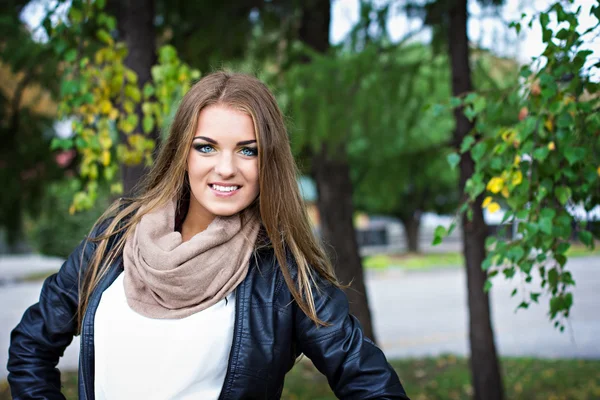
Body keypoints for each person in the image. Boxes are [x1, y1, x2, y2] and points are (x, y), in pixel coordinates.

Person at [8, 71, 409, 400]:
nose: (226, 168)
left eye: (247, 151)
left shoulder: (281, 274)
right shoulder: (115, 237)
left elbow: (371, 385)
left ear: (268, 161)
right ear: (182, 152)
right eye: (207, 147)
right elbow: (31, 346)